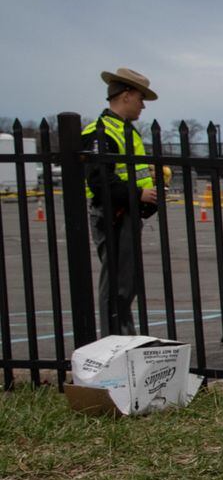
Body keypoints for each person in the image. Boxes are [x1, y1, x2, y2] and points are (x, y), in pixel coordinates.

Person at [83, 67, 160, 335]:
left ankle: (122, 335)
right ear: (126, 96)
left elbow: (125, 172)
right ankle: (114, 338)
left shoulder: (126, 131)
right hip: (114, 215)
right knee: (116, 283)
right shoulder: (101, 132)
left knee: (126, 283)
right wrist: (138, 194)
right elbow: (99, 181)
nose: (142, 106)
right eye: (141, 98)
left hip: (127, 214)